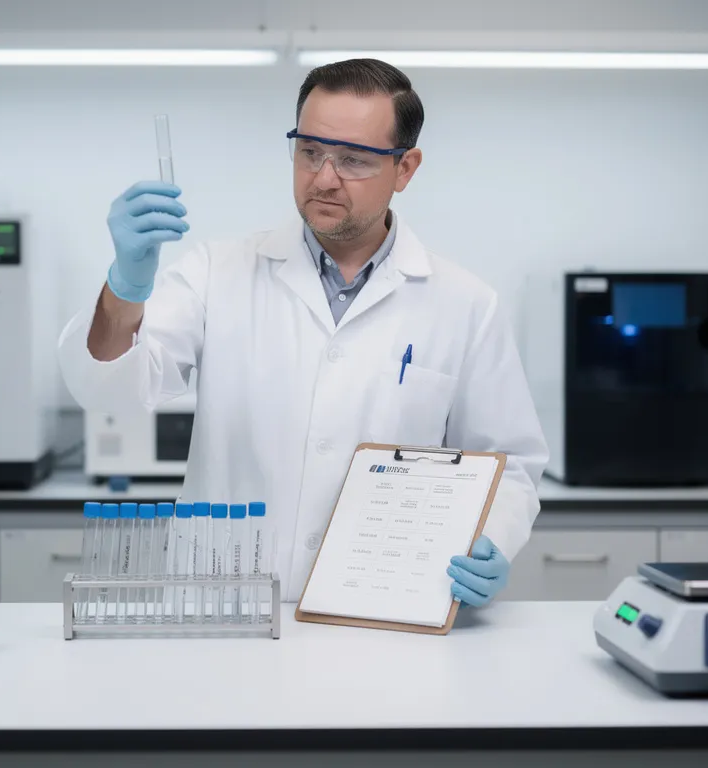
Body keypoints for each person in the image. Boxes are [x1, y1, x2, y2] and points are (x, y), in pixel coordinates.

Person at [59, 59, 548, 607]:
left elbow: (510, 463)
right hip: (224, 608)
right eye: (310, 151)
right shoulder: (215, 272)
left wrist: (495, 537)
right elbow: (108, 390)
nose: (324, 178)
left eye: (354, 160)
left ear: (405, 168)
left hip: (382, 609)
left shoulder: (465, 304)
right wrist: (125, 287)